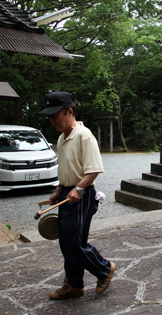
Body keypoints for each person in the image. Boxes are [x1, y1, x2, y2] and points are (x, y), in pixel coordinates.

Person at [40, 91, 115, 300]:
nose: (51, 119)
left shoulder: (84, 135)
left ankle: (105, 269)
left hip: (82, 195)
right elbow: (65, 168)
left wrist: (79, 189)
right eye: (49, 116)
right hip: (67, 192)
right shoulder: (62, 138)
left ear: (69, 111)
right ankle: (74, 285)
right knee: (65, 242)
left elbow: (94, 169)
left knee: (75, 243)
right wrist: (58, 190)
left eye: (55, 115)